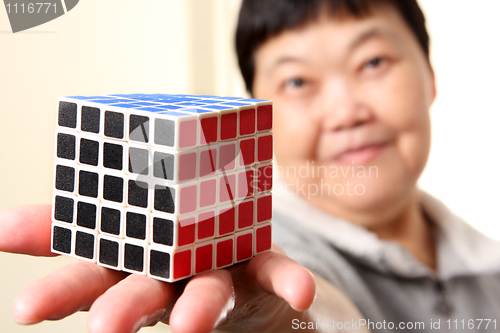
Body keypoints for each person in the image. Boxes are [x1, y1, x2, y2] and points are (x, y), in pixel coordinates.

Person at [1, 1, 499, 333]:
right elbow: (313, 308)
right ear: (260, 113)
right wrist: (273, 312)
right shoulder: (266, 244)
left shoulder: (489, 261)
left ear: (431, 76)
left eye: (373, 62)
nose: (347, 111)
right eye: (298, 82)